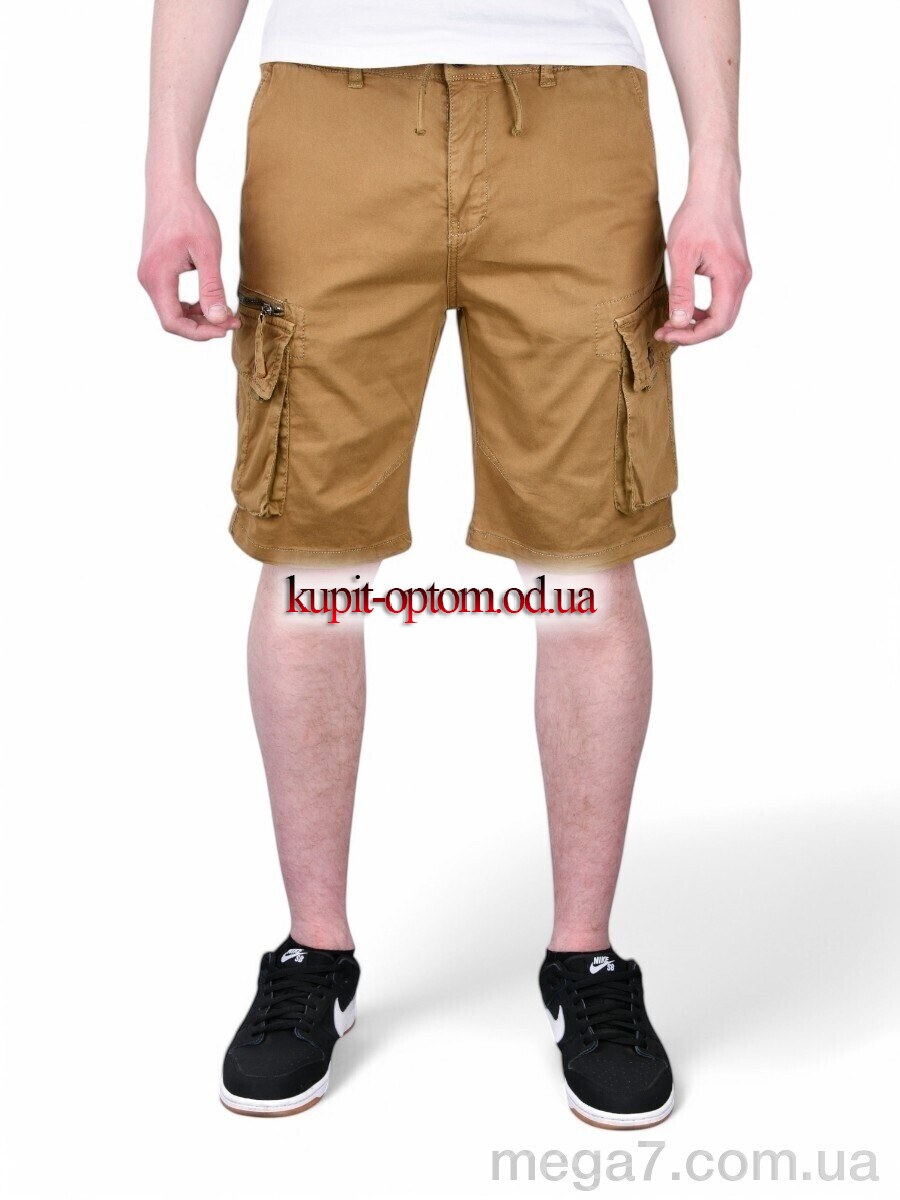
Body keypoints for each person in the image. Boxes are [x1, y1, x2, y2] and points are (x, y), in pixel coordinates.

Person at [139, 0, 750, 1129]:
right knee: (310, 552)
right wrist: (167, 169)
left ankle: (586, 961)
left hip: (575, 116)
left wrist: (718, 162)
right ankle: (313, 954)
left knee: (586, 557)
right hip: (329, 112)